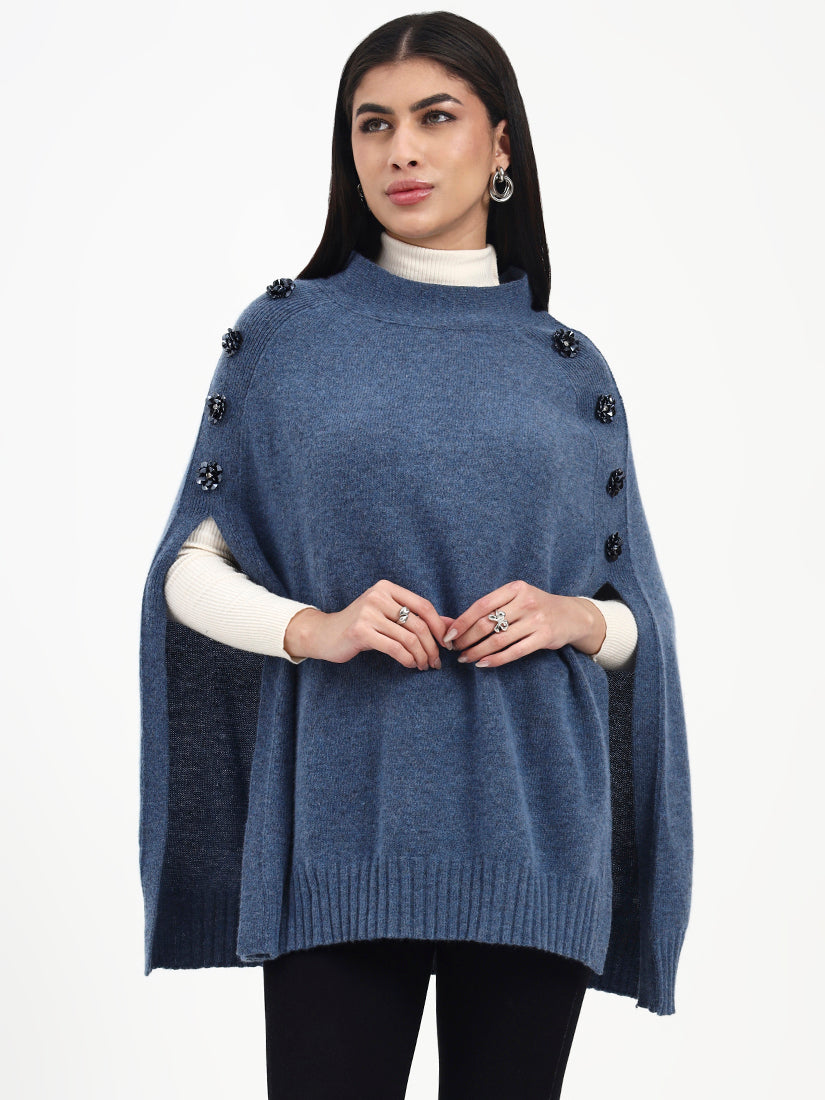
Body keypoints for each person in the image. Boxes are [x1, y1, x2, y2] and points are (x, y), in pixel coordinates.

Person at [138, 11, 693, 1099]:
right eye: (374, 124)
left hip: (539, 834)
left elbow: (637, 618)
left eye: (436, 118)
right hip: (340, 831)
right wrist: (313, 627)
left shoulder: (568, 366)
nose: (402, 150)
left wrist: (579, 618)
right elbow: (187, 571)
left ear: (499, 144)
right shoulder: (285, 337)